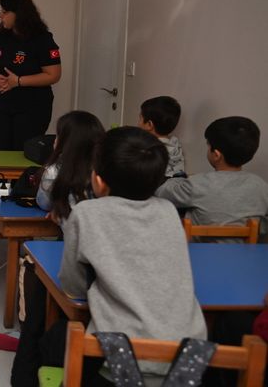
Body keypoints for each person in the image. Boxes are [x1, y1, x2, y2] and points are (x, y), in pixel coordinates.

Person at [46, 127, 206, 384]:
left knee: (57, 341)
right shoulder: (168, 211)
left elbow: (72, 285)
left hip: (121, 358)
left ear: (97, 180)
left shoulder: (88, 214)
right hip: (189, 357)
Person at [2, 111, 104, 381]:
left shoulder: (56, 170)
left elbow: (44, 204)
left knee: (33, 264)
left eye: (58, 136)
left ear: (65, 141)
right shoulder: (105, 170)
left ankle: (27, 334)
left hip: (72, 248)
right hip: (101, 254)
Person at [156, 116, 268, 238]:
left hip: (200, 253)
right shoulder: (261, 186)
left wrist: (180, 178)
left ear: (216, 155)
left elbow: (161, 192)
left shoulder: (197, 184)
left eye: (208, 146)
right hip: (249, 254)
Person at [0, 0, 62, 151]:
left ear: (19, 14)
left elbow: (53, 75)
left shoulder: (42, 39)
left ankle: (24, 179)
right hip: (1, 105)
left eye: (5, 12)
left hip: (32, 107)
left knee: (23, 153)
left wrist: (18, 81)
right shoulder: (0, 36)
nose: (0, 16)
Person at [138, 96, 185, 177]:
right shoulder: (176, 147)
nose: (138, 123)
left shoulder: (148, 152)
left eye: (140, 119)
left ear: (149, 125)